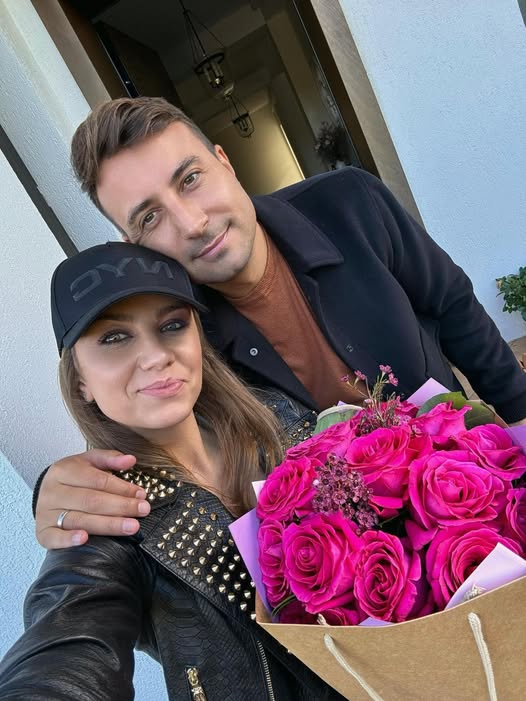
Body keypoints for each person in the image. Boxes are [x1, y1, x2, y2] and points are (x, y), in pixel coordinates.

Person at [34, 96, 526, 550]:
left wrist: (520, 416)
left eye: (191, 179)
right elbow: (145, 434)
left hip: (476, 490)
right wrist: (55, 490)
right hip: (366, 570)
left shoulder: (350, 203)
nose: (191, 223)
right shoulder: (180, 338)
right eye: (149, 218)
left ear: (225, 162)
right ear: (135, 244)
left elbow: (452, 304)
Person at [0, 241, 344, 701]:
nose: (156, 356)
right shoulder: (110, 522)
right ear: (80, 379)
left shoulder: (282, 419)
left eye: (172, 325)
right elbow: (65, 644)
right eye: (114, 337)